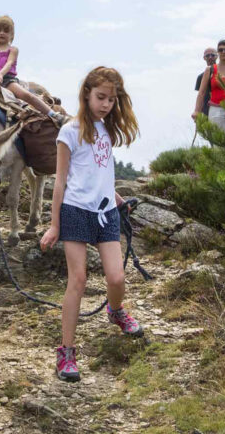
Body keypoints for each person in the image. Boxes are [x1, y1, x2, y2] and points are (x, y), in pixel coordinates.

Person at [39, 67, 143, 382]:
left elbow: (96, 171)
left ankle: (115, 311)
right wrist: (54, 225)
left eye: (111, 99)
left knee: (116, 275)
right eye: (101, 97)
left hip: (105, 212)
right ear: (86, 93)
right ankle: (67, 353)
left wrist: (112, 193)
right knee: (79, 280)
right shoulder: (68, 132)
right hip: (74, 211)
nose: (106, 104)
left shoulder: (106, 131)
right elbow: (61, 182)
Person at [194, 47, 216, 116]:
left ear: (217, 56)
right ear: (204, 58)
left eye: (212, 55)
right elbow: (200, 95)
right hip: (205, 112)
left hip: (219, 110)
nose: (210, 57)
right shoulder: (200, 77)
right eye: (207, 55)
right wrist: (197, 111)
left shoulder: (223, 74)